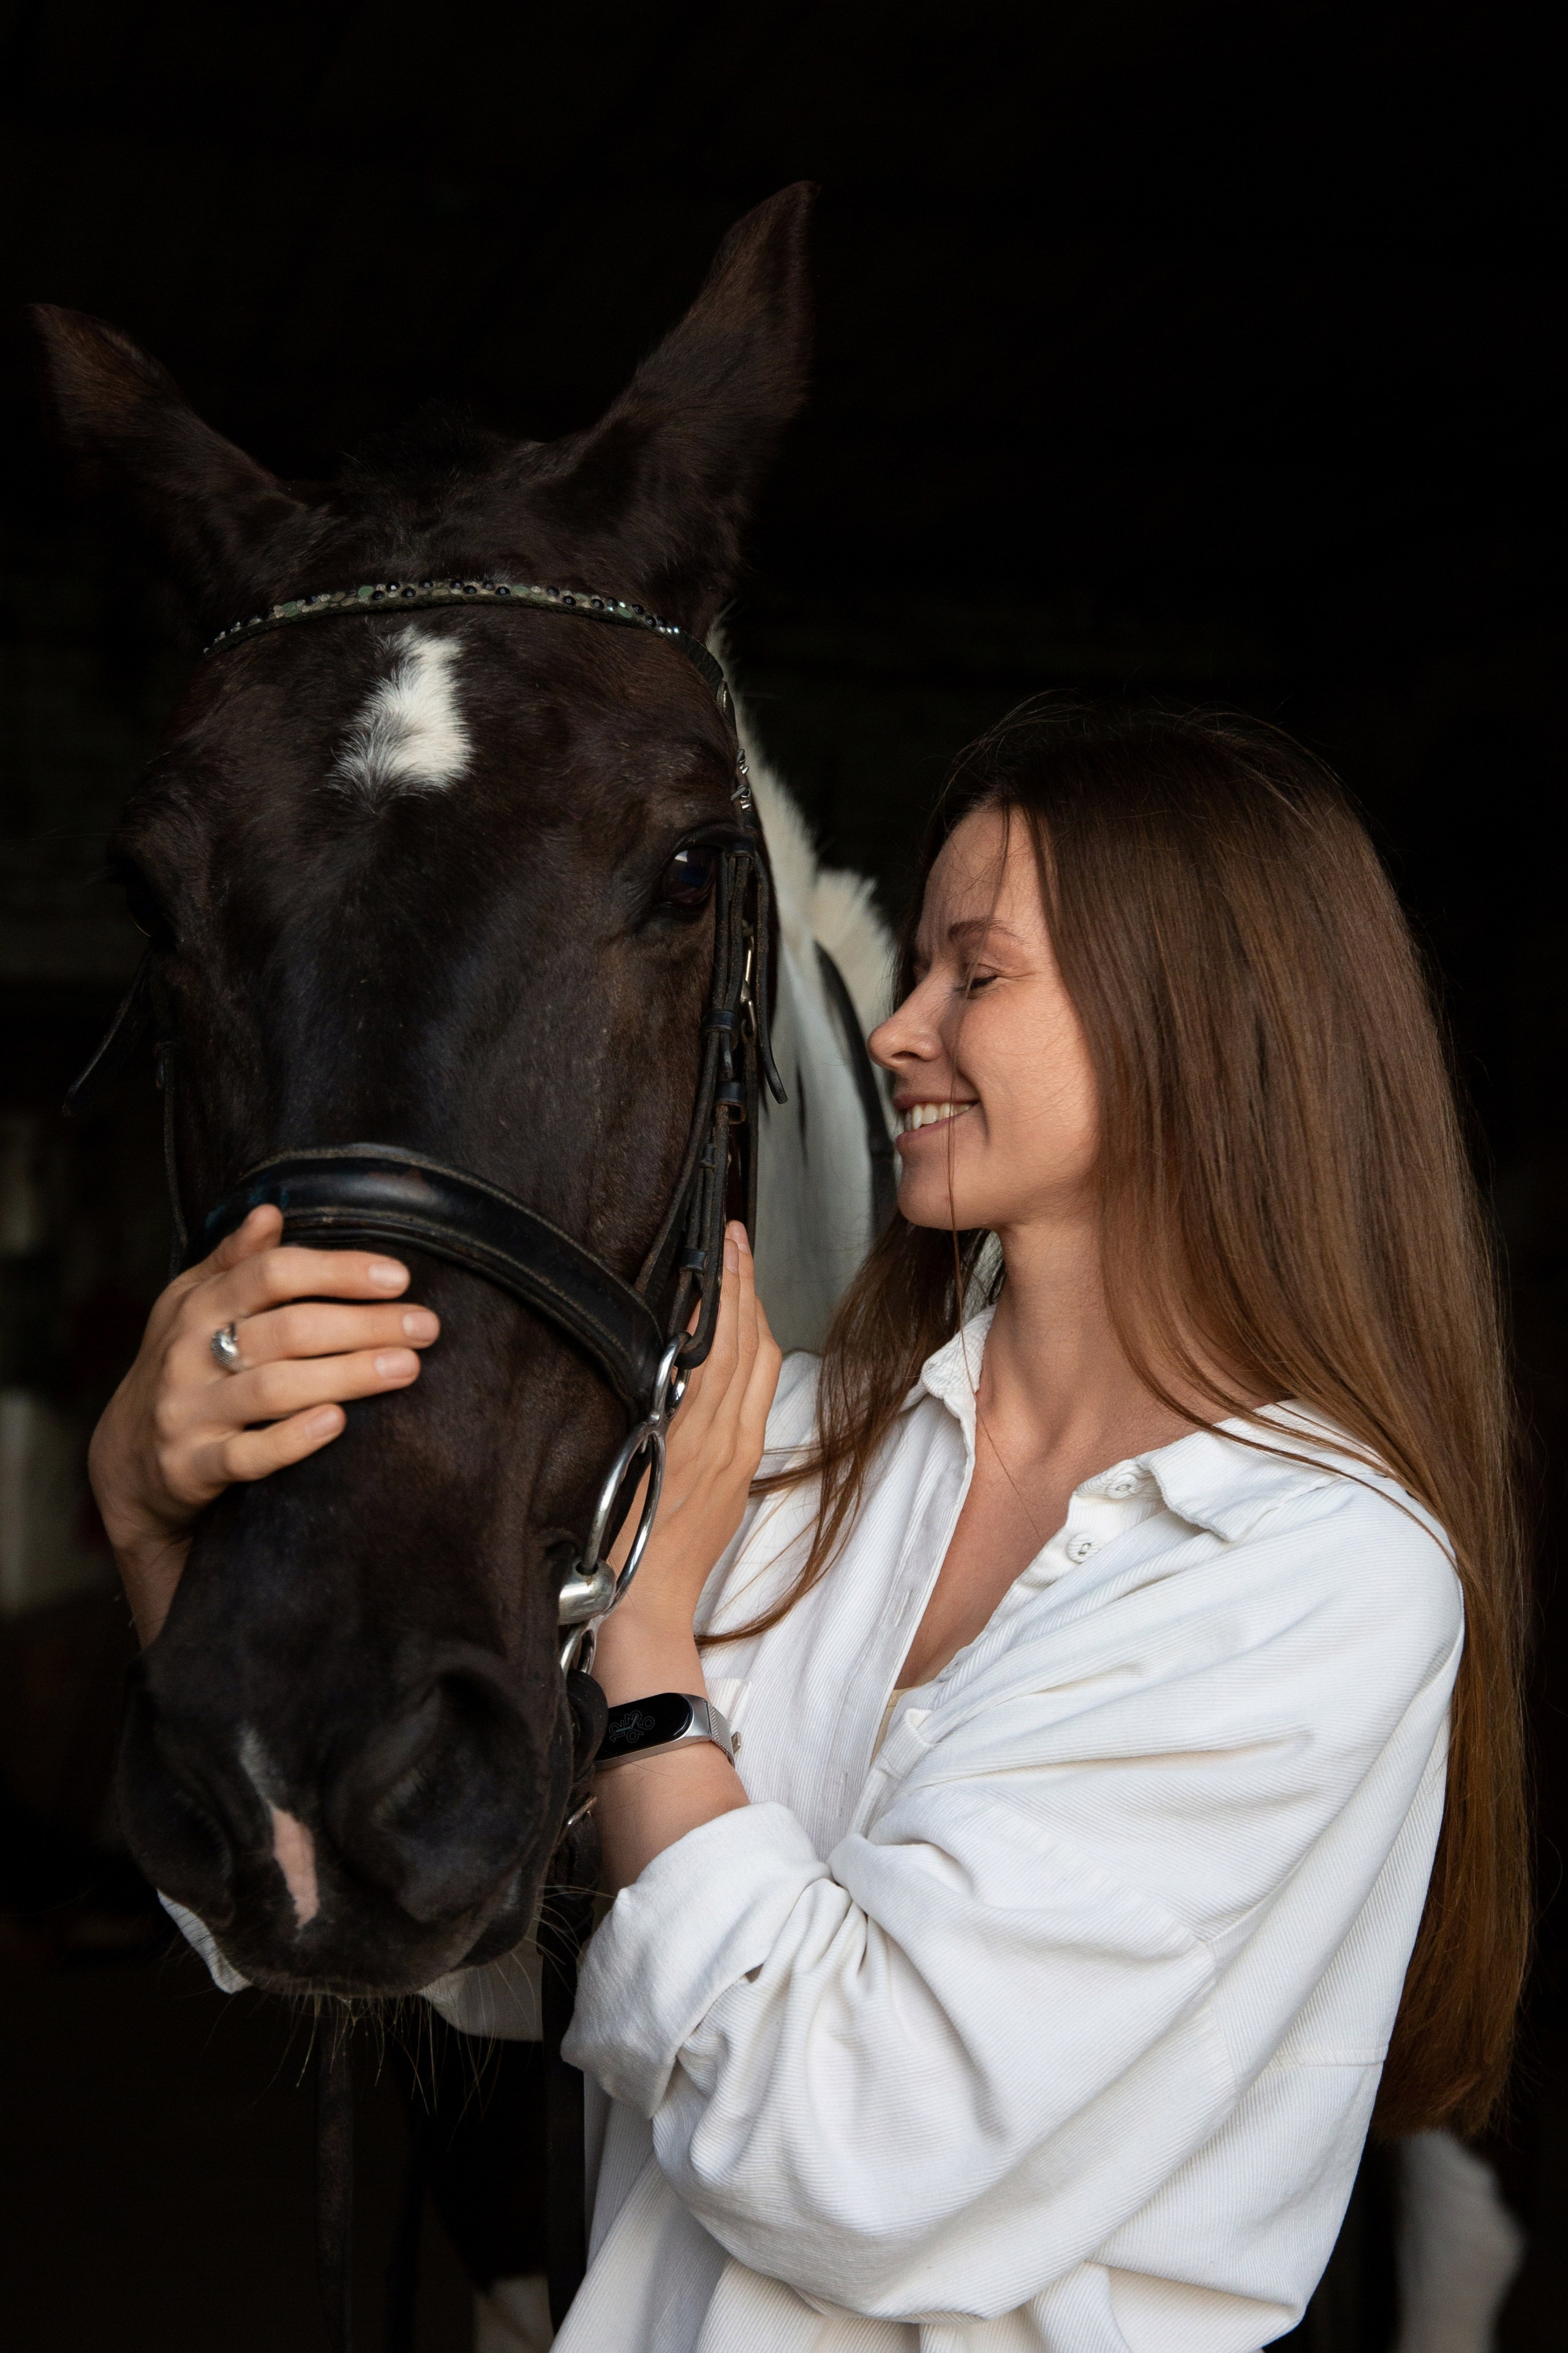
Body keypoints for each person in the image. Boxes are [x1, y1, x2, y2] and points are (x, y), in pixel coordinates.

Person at [92, 704, 1527, 2352]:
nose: (899, 1031)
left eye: (976, 974)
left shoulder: (1316, 1573)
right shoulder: (771, 1450)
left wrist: (650, 1662)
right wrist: (155, 1529)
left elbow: (851, 2157)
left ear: (1195, 1023)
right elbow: (427, 1900)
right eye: (918, 972)